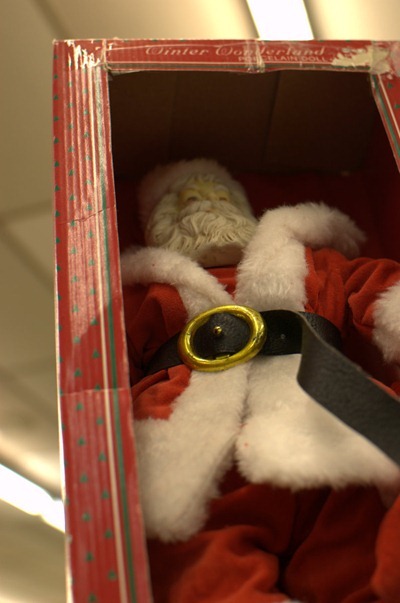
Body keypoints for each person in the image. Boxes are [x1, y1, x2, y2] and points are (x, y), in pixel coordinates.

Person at [121, 159, 400, 603]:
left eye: (219, 196)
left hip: (327, 421)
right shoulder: (138, 291)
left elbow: (374, 288)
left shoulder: (310, 262)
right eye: (184, 200)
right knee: (202, 568)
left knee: (362, 547)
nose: (203, 205)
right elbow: (100, 367)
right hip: (200, 452)